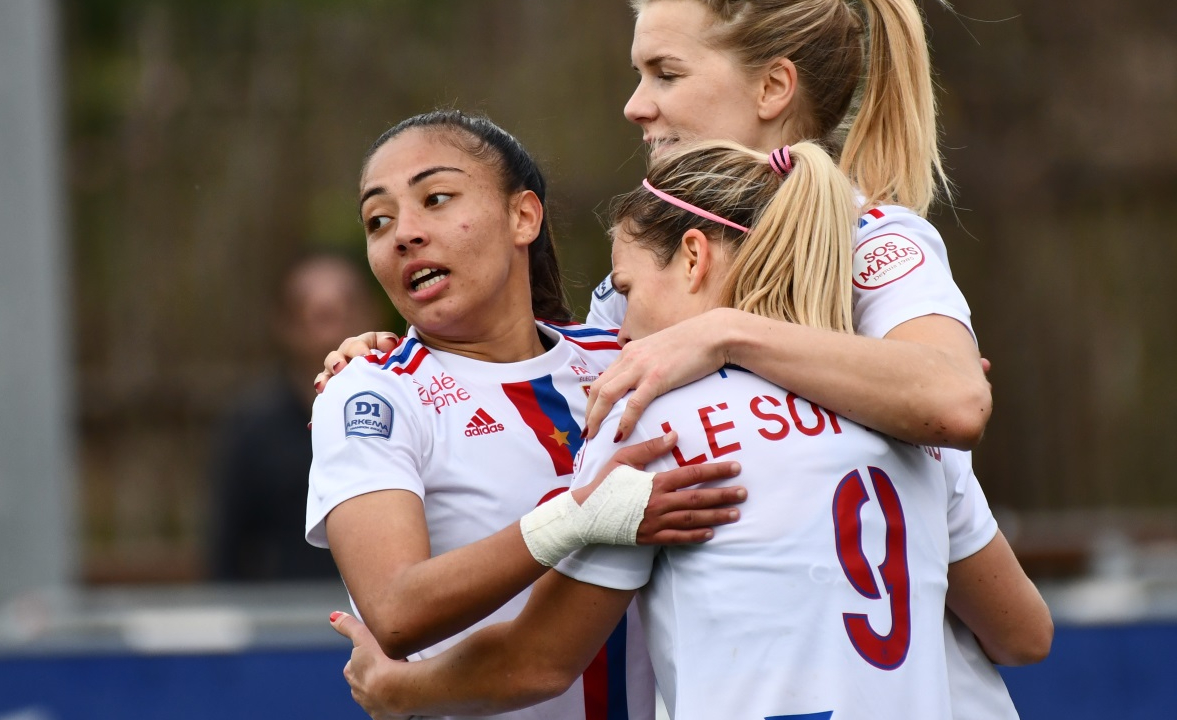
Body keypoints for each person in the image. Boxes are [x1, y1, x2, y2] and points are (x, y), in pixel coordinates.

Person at [317, 1, 1043, 716]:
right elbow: (1024, 632)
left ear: (772, 88)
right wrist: (397, 357)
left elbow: (951, 400)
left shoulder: (871, 240)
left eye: (665, 73)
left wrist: (726, 334)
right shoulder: (641, 328)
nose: (636, 106)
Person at [307, 110, 746, 720]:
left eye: (436, 199)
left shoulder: (623, 358)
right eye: (378, 221)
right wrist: (577, 518)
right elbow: (396, 610)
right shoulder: (369, 395)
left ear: (523, 216)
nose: (404, 232)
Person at [208, 253, 378, 581]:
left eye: (343, 306)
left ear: (370, 311)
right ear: (284, 323)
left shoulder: (412, 407)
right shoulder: (250, 429)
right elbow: (227, 552)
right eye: (313, 311)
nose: (329, 324)